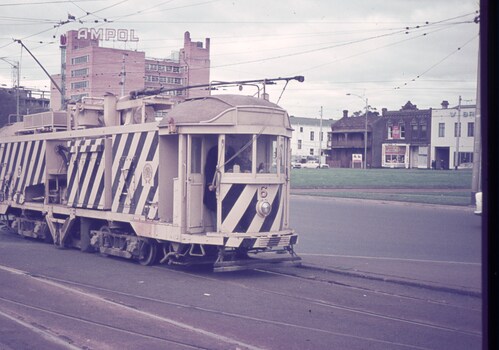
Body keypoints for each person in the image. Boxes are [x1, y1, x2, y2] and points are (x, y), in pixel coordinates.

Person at [204, 146, 218, 229]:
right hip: (213, 188)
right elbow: (208, 169)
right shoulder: (214, 152)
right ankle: (216, 228)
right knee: (214, 207)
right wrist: (210, 184)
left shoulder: (231, 151)